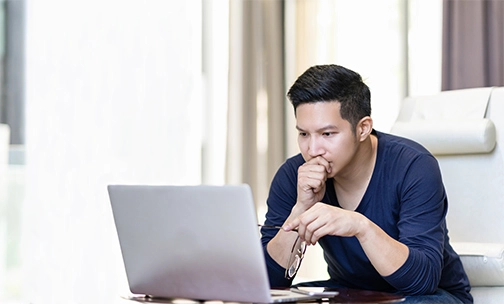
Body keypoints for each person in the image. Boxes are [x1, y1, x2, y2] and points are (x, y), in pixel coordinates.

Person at [260, 64, 472, 303]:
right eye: (304, 134)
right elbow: (266, 283)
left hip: (426, 296)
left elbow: (421, 281)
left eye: (327, 134)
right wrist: (300, 208)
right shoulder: (293, 175)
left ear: (362, 128)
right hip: (351, 292)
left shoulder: (414, 166)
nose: (313, 150)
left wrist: (360, 226)